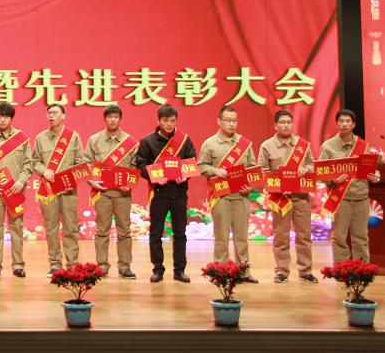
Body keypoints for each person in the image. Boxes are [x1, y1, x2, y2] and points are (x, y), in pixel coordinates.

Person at [135, 104, 197, 283]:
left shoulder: (184, 140)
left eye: (172, 121)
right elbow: (140, 165)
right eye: (165, 121)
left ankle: (179, 270)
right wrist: (155, 177)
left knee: (180, 234)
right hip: (159, 192)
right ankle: (158, 270)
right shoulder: (148, 141)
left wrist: (185, 175)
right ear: (158, 121)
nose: (169, 124)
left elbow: (192, 162)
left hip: (179, 192)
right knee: (156, 233)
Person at [197, 104, 258, 283]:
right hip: (221, 197)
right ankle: (221, 272)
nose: (231, 124)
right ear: (219, 121)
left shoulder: (244, 145)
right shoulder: (210, 143)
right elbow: (202, 166)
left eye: (234, 121)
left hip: (241, 197)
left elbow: (252, 170)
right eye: (228, 120)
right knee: (221, 238)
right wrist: (216, 171)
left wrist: (249, 187)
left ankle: (243, 272)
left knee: (242, 238)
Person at [258, 109, 317, 283]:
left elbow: (313, 165)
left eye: (289, 122)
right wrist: (276, 187)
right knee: (281, 236)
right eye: (282, 122)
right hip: (280, 198)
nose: (286, 125)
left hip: (301, 197)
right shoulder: (267, 146)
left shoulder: (302, 145)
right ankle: (282, 271)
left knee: (304, 235)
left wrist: (306, 169)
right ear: (275, 125)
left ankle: (305, 271)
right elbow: (262, 171)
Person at [0, 102, 33, 278]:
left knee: (17, 227)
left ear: (11, 118)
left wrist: (21, 181)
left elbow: (29, 164)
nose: (2, 120)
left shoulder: (21, 138)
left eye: (6, 116)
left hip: (16, 191)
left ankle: (18, 265)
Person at [83, 104, 138, 278]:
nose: (113, 120)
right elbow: (86, 164)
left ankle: (124, 266)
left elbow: (136, 166)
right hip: (102, 192)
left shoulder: (130, 142)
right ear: (105, 119)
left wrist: (129, 183)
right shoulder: (94, 140)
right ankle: (102, 265)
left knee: (124, 231)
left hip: (123, 194)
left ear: (120, 119)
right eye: (109, 117)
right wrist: (91, 181)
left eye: (116, 117)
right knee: (102, 230)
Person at [319, 108, 380, 263]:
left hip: (361, 198)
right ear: (337, 123)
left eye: (348, 121)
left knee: (361, 237)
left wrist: (376, 175)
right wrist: (332, 179)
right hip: (341, 199)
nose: (344, 124)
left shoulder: (363, 146)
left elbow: (373, 168)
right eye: (341, 121)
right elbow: (320, 172)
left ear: (353, 124)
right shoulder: (328, 146)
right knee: (339, 237)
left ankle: (361, 270)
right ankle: (341, 269)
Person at [32, 103, 85, 276]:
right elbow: (34, 161)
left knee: (71, 228)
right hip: (49, 191)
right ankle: (55, 264)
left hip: (68, 190)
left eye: (55, 112)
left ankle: (72, 264)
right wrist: (44, 170)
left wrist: (70, 177)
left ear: (63, 116)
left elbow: (81, 162)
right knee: (51, 228)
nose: (51, 116)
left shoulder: (73, 137)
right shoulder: (41, 138)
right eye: (49, 113)